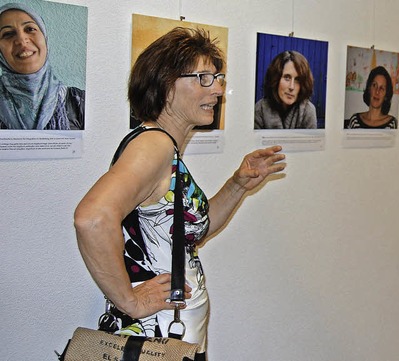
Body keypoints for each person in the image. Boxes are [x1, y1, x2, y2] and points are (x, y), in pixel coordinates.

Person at [74, 27, 286, 359]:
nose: (218, 88)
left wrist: (237, 185)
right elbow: (92, 218)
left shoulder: (163, 146)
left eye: (217, 77)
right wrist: (130, 300)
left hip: (174, 334)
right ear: (165, 85)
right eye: (203, 77)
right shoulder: (154, 145)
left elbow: (186, 234)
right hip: (157, 336)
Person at [0, 2, 84, 130]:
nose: (22, 40)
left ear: (44, 37)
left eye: (30, 29)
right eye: (7, 34)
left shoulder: (78, 102)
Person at [254, 50, 316, 129]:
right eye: (287, 78)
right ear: (275, 79)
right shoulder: (260, 109)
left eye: (298, 80)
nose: (291, 87)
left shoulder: (308, 110)